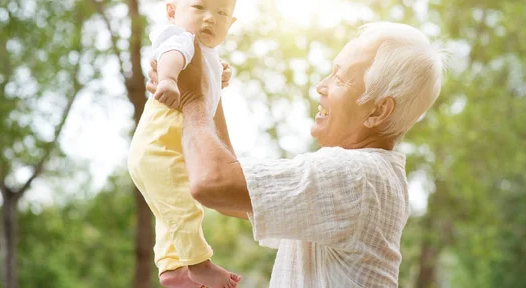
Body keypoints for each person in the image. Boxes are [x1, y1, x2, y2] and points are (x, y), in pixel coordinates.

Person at [147, 21, 445, 287]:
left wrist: (191, 99)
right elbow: (232, 192)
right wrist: (209, 89)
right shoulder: (370, 179)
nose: (321, 87)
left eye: (340, 80)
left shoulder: (356, 175)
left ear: (379, 110)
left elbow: (212, 183)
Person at [128, 0, 241, 288]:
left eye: (221, 13)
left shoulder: (209, 55)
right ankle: (199, 262)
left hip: (169, 154)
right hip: (158, 149)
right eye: (199, 7)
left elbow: (208, 96)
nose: (210, 18)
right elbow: (173, 55)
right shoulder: (181, 38)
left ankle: (174, 270)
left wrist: (218, 76)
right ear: (172, 12)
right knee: (183, 207)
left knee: (171, 214)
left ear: (231, 23)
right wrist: (167, 79)